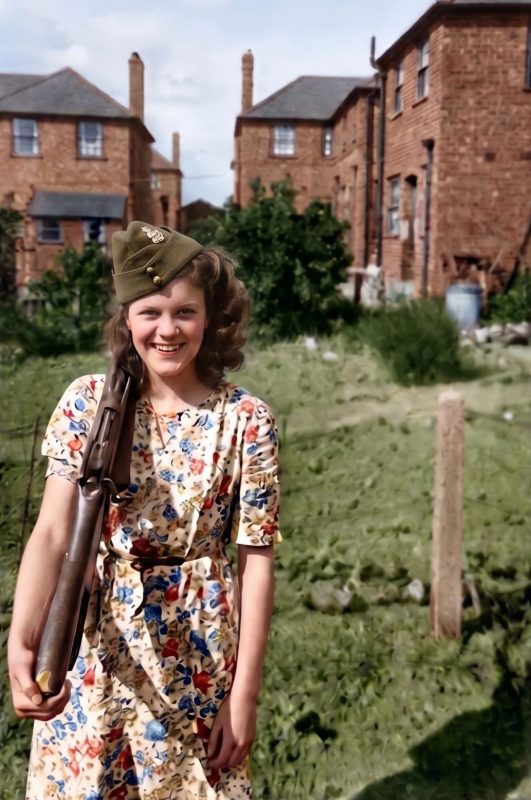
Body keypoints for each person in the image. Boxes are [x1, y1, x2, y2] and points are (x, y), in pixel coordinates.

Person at [8, 221, 283, 799]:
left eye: (185, 312)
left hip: (200, 651)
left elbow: (255, 561)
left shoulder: (247, 421)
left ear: (210, 318)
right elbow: (54, 533)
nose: (167, 329)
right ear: (127, 319)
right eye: (150, 311)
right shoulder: (89, 404)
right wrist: (21, 640)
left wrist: (245, 695)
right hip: (96, 651)